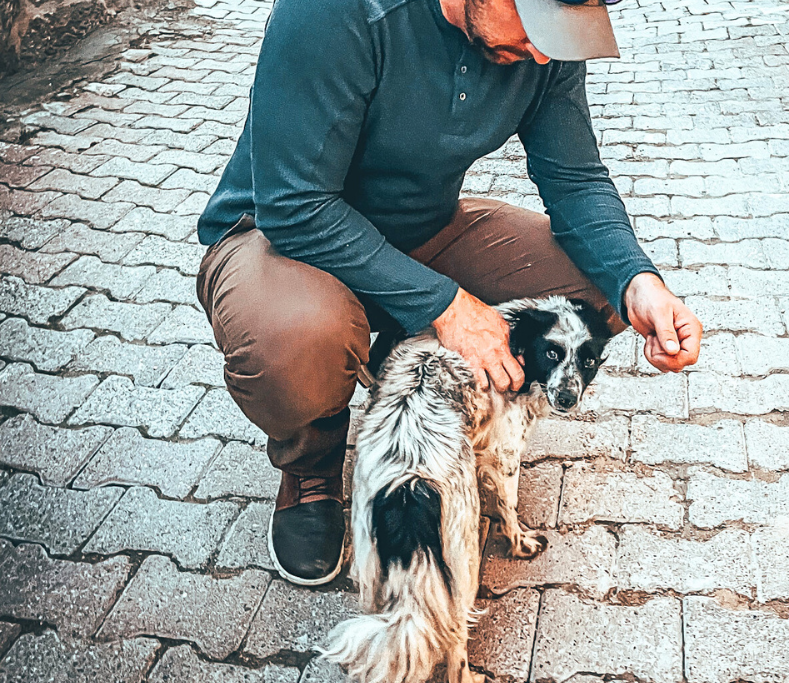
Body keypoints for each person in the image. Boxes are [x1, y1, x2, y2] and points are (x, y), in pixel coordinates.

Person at [196, 0, 703, 586]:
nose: (543, 54)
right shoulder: (334, 13)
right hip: (281, 241)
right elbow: (294, 205)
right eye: (538, 30)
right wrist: (445, 306)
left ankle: (404, 372)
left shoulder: (542, 48)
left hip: (421, 232)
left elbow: (575, 178)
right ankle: (310, 464)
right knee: (298, 339)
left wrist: (639, 283)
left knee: (596, 296)